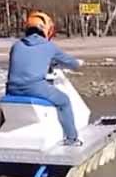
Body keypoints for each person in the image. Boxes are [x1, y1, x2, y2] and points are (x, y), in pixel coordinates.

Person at [6, 10, 84, 146]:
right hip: (34, 87)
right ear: (46, 29)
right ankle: (72, 139)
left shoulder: (16, 46)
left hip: (11, 88)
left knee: (7, 106)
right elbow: (72, 63)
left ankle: (3, 132)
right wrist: (79, 63)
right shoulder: (49, 47)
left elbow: (26, 62)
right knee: (64, 101)